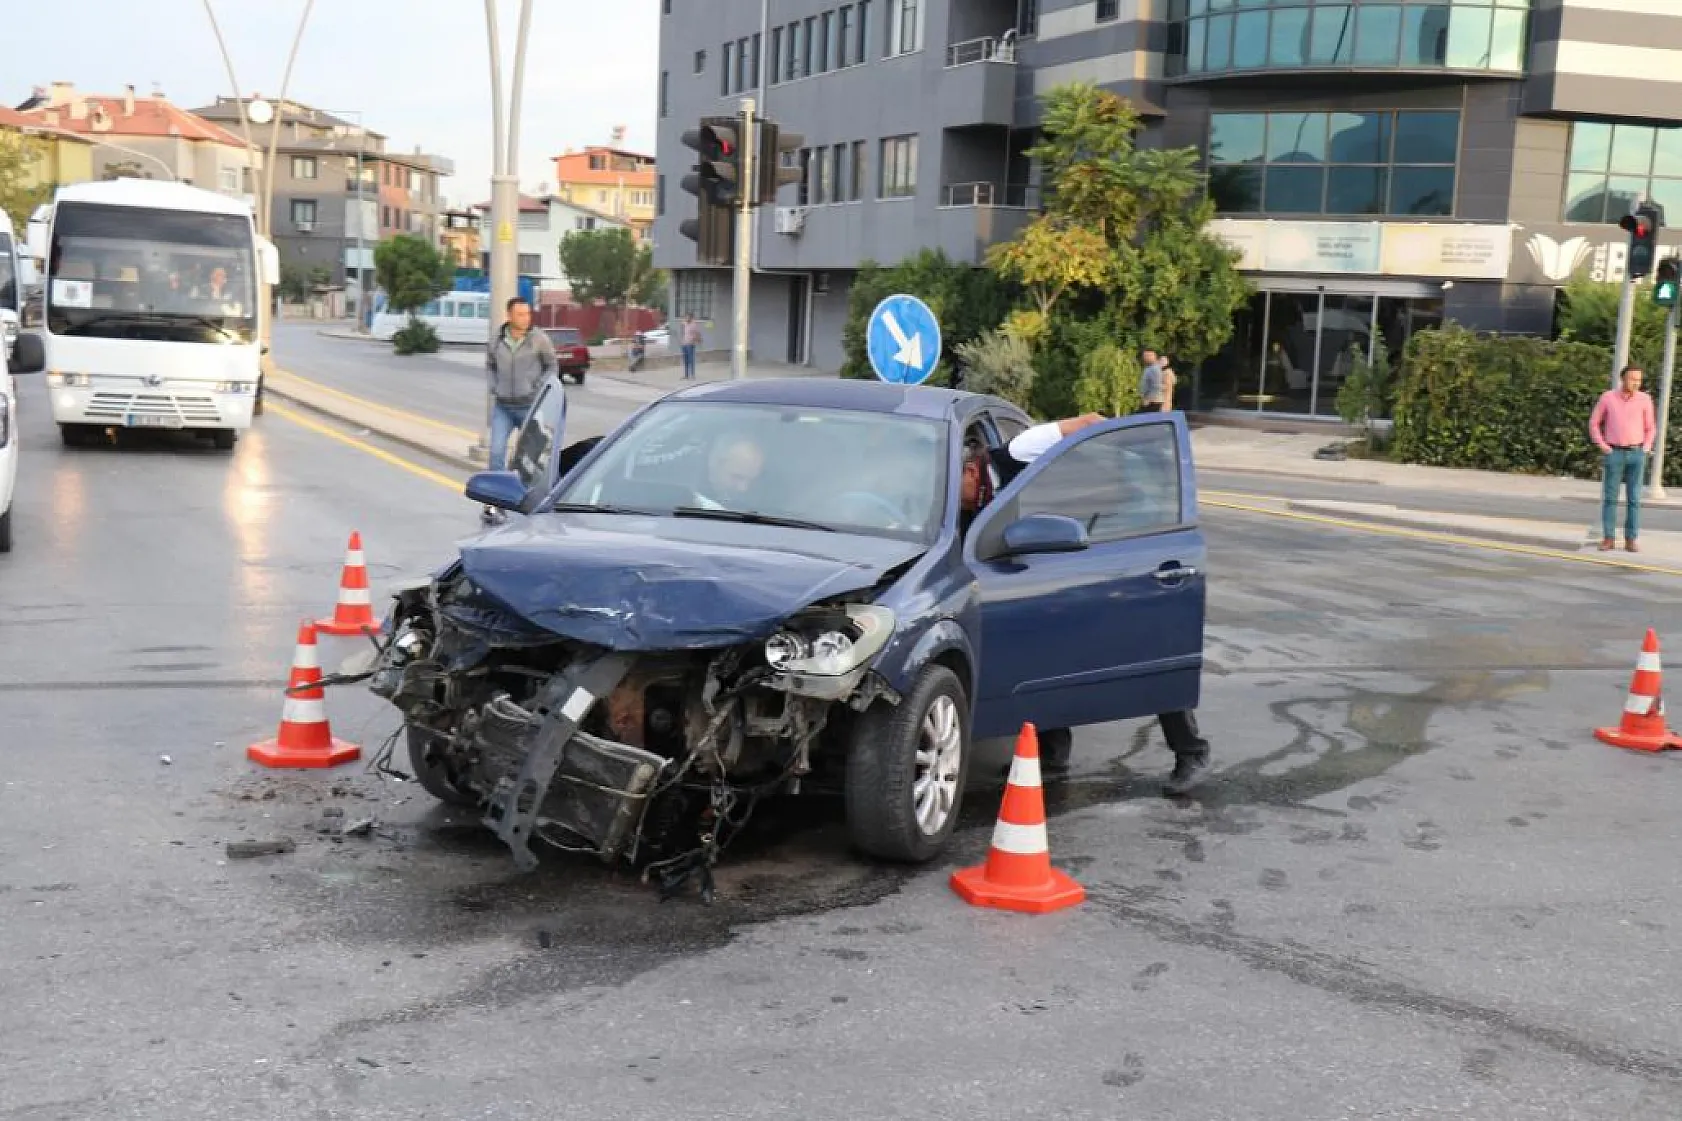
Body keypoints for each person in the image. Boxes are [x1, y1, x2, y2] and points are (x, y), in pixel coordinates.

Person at [970, 411, 1215, 795]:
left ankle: (1191, 752)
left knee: (1146, 655)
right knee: (1045, 657)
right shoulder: (975, 495)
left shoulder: (1020, 448)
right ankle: (1052, 754)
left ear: (972, 470)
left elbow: (1087, 423)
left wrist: (1118, 451)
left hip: (1098, 549)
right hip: (1045, 564)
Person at [485, 296, 558, 475]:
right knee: (496, 453)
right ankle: (497, 495)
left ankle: (528, 496)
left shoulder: (539, 339)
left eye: (527, 314)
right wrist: (494, 385)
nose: (526, 318)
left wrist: (538, 387)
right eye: (520, 314)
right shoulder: (497, 339)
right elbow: (490, 364)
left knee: (531, 458)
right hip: (503, 408)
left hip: (530, 407)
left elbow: (552, 366)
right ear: (509, 316)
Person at [1590, 364, 1656, 553]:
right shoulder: (1608, 397)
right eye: (1632, 379)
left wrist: (1646, 448)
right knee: (1610, 498)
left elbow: (1651, 427)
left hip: (1637, 453)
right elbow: (1594, 423)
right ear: (1623, 379)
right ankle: (1608, 538)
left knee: (1634, 499)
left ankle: (1631, 539)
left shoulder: (1645, 399)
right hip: (1615, 452)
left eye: (1639, 380)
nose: (1636, 383)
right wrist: (1604, 447)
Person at [1136, 348, 1168, 414]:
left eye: (1147, 356)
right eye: (1144, 356)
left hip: (1152, 402)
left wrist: (1148, 399)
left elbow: (1156, 386)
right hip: (1149, 401)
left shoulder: (1154, 369)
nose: (1144, 358)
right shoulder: (1149, 368)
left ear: (1153, 357)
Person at [680, 314, 702, 380]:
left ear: (691, 318)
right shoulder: (685, 324)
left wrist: (696, 340)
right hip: (684, 344)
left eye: (688, 317)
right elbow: (682, 325)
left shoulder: (694, 325)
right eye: (686, 317)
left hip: (690, 344)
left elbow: (698, 333)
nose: (686, 318)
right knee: (685, 360)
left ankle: (692, 375)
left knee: (691, 360)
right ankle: (686, 375)